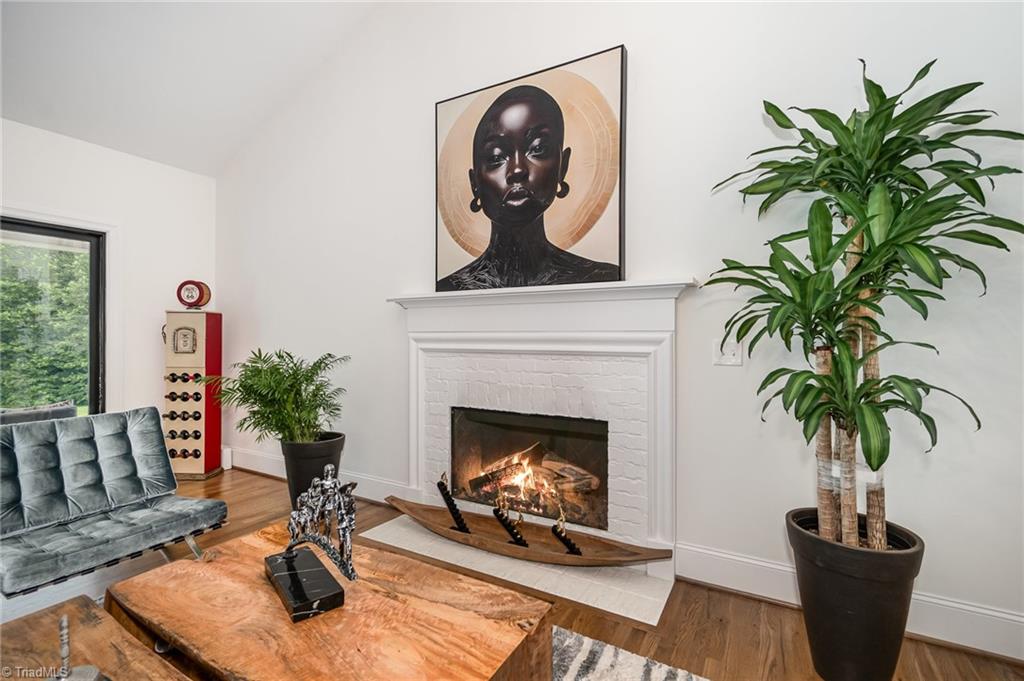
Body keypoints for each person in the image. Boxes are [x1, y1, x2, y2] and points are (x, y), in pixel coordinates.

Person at [437, 85, 618, 291]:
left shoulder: (601, 280)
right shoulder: (450, 288)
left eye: (538, 149)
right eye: (496, 157)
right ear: (474, 184)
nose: (517, 170)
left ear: (563, 167)